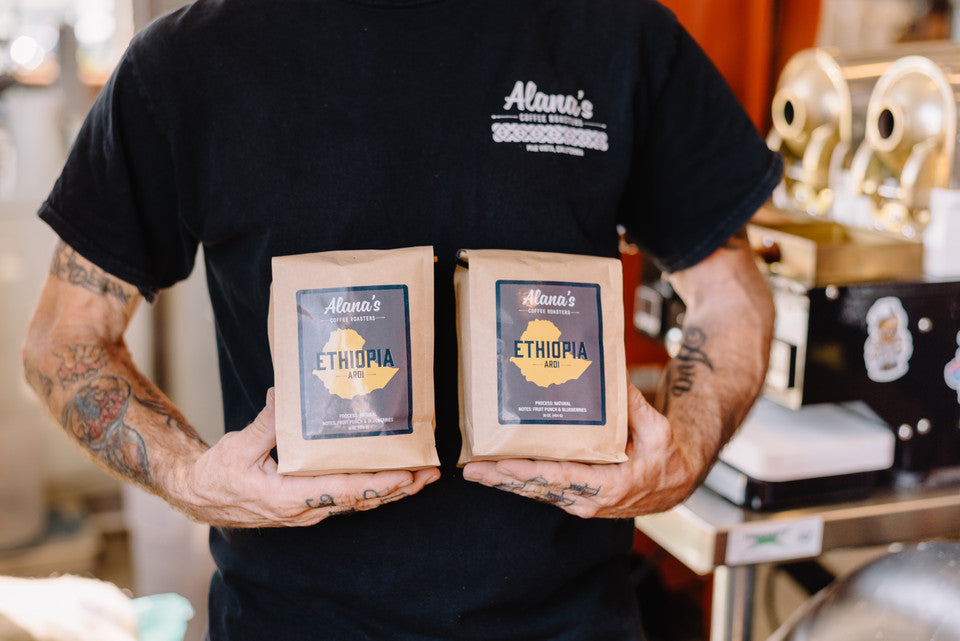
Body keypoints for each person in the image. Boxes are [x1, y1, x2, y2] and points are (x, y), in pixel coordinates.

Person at [21, 0, 780, 639]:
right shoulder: (188, 63)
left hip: (571, 619)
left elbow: (731, 293)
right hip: (290, 621)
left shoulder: (616, 34)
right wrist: (192, 478)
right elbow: (64, 338)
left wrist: (686, 447)